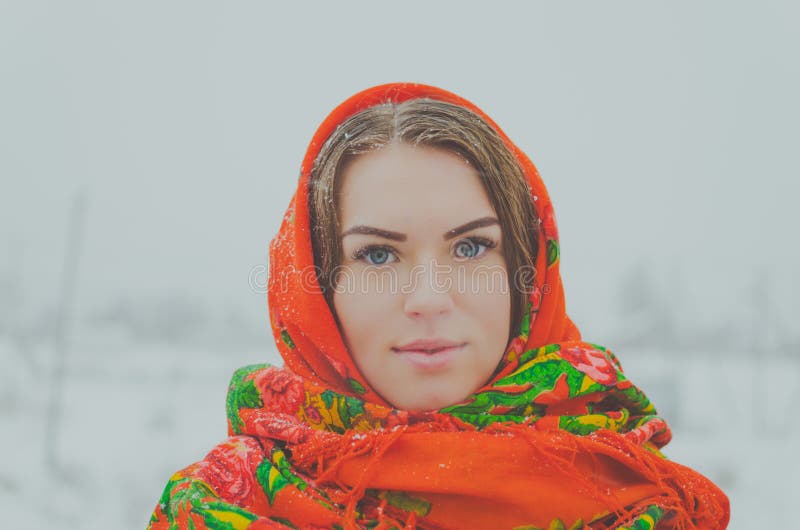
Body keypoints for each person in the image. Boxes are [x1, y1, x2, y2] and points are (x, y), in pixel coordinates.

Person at [146, 83, 730, 529]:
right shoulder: (219, 507)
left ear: (526, 275)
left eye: (471, 247)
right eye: (377, 255)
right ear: (316, 288)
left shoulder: (645, 501)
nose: (428, 299)